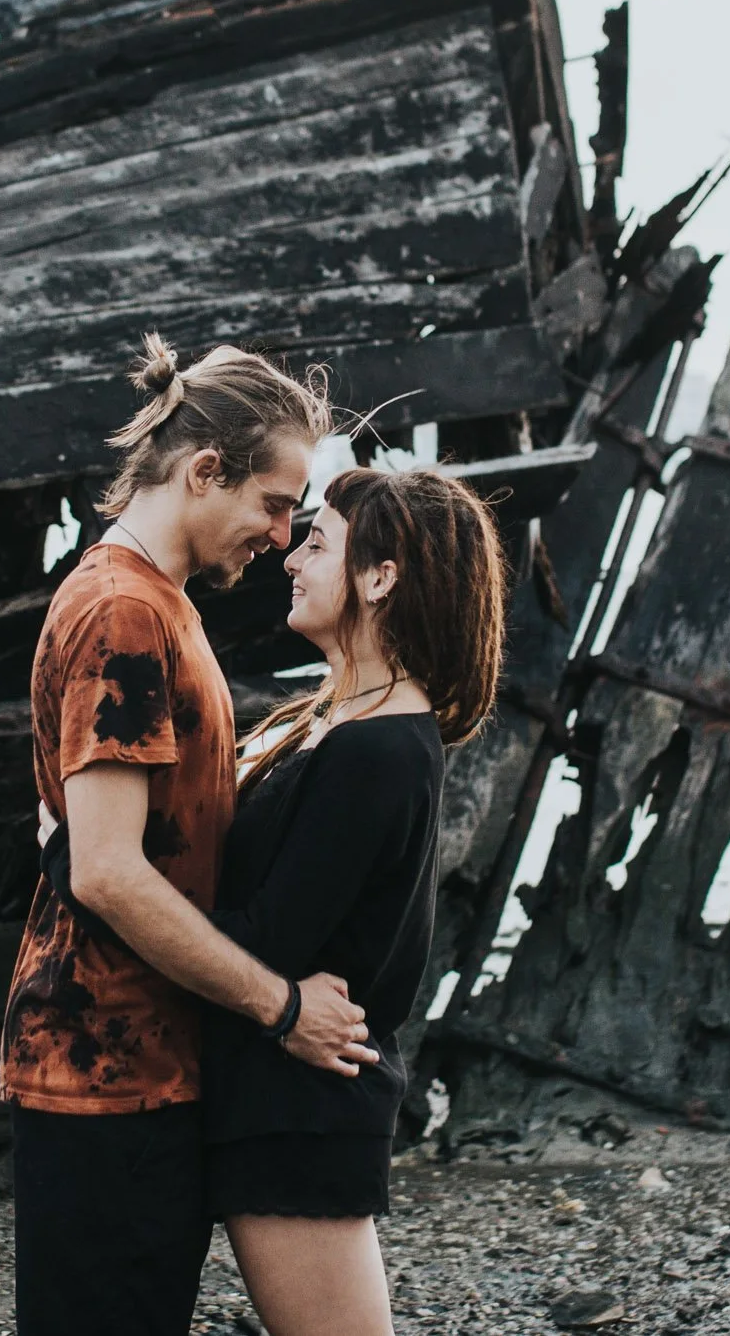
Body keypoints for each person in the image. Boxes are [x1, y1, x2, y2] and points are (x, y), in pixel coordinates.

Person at [0, 333, 374, 1336]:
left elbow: (96, 834)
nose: (283, 532)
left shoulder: (156, 603)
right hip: (101, 1069)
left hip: (139, 1061)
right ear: (204, 469)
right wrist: (282, 1005)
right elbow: (112, 871)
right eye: (274, 500)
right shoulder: (124, 610)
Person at [202, 465, 509, 1336]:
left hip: (305, 1112)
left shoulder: (377, 750)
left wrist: (97, 876)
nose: (291, 558)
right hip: (282, 1097)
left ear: (381, 578)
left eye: (319, 542)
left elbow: (266, 937)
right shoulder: (339, 722)